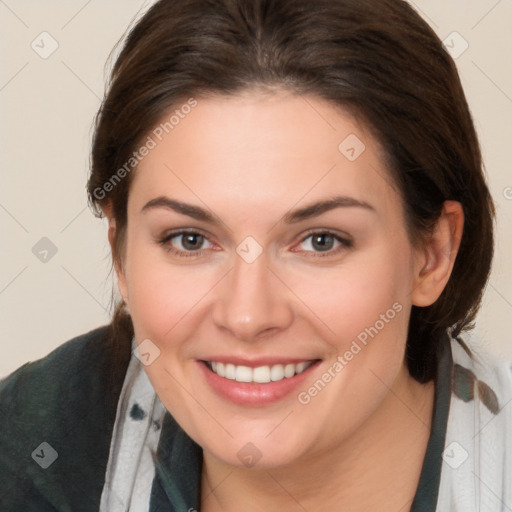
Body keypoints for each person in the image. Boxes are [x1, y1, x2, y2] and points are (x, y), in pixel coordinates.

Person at [1, 0, 511, 510]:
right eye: (190, 239)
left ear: (432, 254)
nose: (247, 316)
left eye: (320, 241)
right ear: (119, 248)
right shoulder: (31, 449)